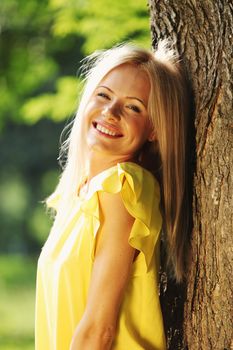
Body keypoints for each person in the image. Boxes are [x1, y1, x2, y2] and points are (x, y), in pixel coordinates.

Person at [35, 40, 190, 350]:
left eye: (133, 106)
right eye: (104, 95)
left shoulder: (122, 189)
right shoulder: (81, 196)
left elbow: (98, 331)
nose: (110, 111)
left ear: (154, 129)